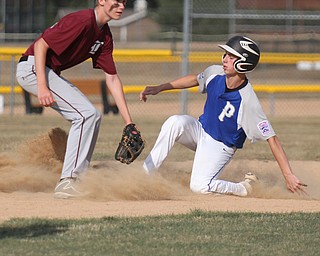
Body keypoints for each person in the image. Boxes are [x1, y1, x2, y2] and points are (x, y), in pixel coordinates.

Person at [139, 35, 307, 197]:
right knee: (175, 122)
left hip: (220, 146)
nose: (225, 59)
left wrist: (288, 175)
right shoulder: (215, 72)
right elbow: (196, 79)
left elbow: (272, 138)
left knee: (199, 186)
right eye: (225, 54)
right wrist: (160, 87)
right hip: (200, 130)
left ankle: (244, 188)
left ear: (244, 63)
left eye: (231, 56)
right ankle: (144, 176)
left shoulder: (247, 101)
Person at [16, 0, 135, 199]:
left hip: (46, 71)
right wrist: (42, 86)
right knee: (86, 115)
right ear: (102, 1)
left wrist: (129, 122)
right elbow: (41, 45)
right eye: (117, 1)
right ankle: (68, 181)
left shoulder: (104, 36)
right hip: (33, 69)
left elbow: (112, 79)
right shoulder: (81, 21)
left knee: (93, 116)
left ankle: (77, 179)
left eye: (124, 2)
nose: (122, 6)